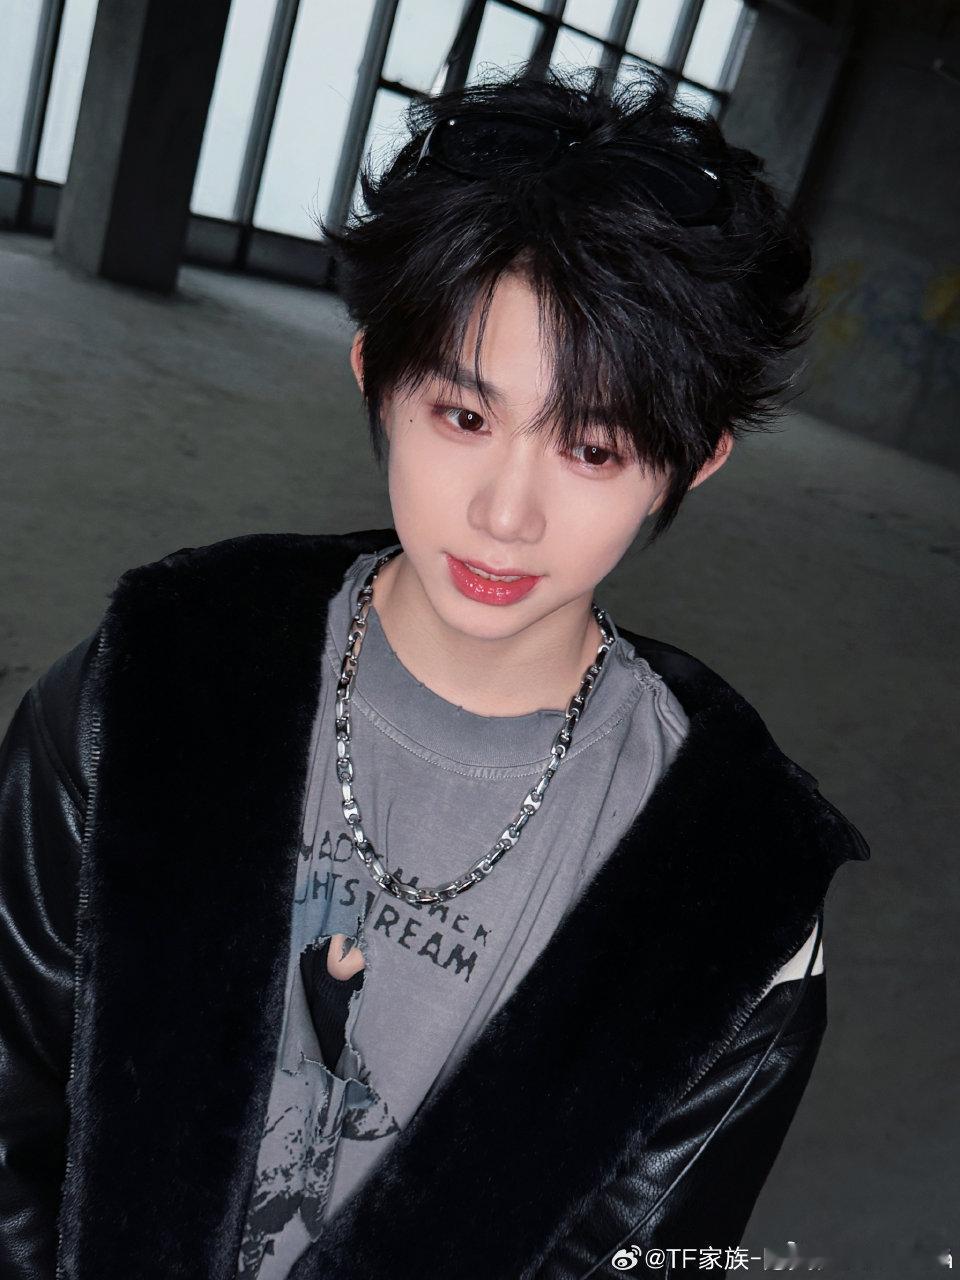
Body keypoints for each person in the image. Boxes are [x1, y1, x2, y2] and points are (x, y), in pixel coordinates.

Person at [0, 64, 870, 1280]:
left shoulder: (735, 891)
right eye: (464, 416)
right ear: (377, 375)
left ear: (693, 462)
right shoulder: (150, 688)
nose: (507, 513)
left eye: (594, 446)